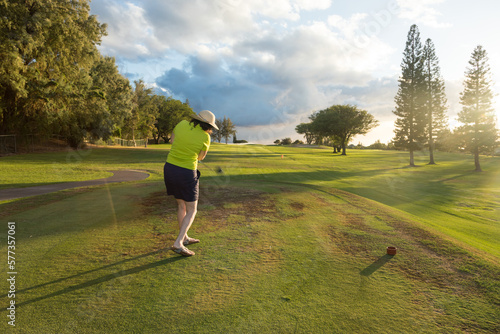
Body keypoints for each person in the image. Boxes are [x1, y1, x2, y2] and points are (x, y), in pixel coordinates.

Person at [164, 110, 218, 257]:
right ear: (208, 125)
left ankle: (185, 237)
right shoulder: (205, 137)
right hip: (187, 172)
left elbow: (172, 141)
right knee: (192, 209)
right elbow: (201, 157)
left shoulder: (181, 124)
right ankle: (179, 242)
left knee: (181, 205)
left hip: (170, 168)